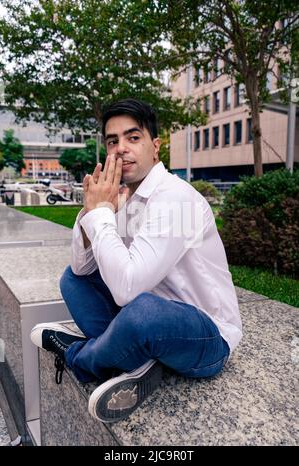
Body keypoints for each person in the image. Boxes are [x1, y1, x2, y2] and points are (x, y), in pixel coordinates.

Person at [31, 98, 242, 424]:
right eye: (113, 141)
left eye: (133, 137)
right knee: (72, 281)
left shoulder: (176, 199)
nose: (121, 149)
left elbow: (128, 292)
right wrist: (91, 211)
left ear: (155, 147)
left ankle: (80, 355)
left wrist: (101, 214)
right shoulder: (123, 196)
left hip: (206, 334)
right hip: (147, 314)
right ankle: (132, 359)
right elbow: (81, 268)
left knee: (143, 312)